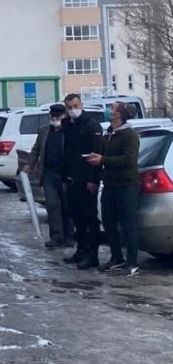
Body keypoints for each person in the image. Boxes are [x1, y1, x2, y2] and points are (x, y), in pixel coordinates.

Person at [87, 102, 140, 276]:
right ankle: (116, 258)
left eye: (112, 108)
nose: (108, 110)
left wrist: (103, 160)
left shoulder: (129, 135)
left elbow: (128, 160)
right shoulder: (109, 133)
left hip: (126, 186)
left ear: (119, 114)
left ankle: (132, 262)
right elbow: (104, 155)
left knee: (128, 225)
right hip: (109, 185)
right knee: (108, 223)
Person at [62, 93, 103, 270]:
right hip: (72, 179)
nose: (73, 110)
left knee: (89, 218)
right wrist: (65, 178)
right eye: (69, 107)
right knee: (76, 216)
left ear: (81, 105)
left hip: (87, 179)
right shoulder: (68, 126)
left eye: (75, 106)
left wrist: (93, 180)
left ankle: (92, 254)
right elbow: (67, 154)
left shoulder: (91, 125)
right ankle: (81, 250)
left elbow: (97, 154)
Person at [24, 104, 75, 248]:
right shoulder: (44, 131)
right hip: (49, 173)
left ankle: (69, 235)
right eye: (53, 117)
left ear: (64, 116)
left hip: (65, 174)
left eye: (58, 116)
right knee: (52, 205)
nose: (55, 119)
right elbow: (36, 150)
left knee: (67, 205)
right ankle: (56, 236)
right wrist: (30, 165)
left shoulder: (69, 131)